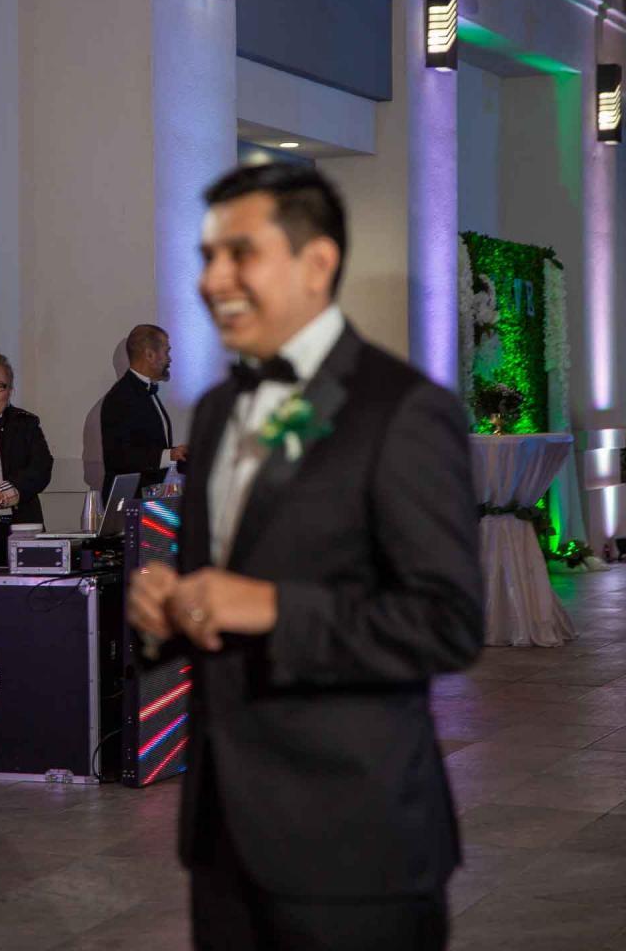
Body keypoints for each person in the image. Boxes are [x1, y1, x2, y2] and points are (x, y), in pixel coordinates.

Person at [129, 162, 483, 951]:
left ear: (317, 263)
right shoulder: (215, 411)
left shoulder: (403, 411)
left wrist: (273, 607)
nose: (211, 279)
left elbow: (449, 621)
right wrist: (168, 613)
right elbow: (215, 588)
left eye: (240, 254)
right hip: (220, 839)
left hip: (353, 844)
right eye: (207, 257)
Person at [0, 351, 53, 567]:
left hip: (21, 530)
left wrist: (1, 494)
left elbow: (41, 469)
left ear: (10, 391)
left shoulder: (26, 424)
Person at [100, 324, 188, 502]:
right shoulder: (119, 397)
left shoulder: (146, 391)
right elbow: (118, 457)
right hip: (128, 504)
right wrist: (169, 455)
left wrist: (178, 454)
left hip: (150, 500)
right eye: (166, 352)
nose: (169, 359)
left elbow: (147, 446)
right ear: (149, 355)